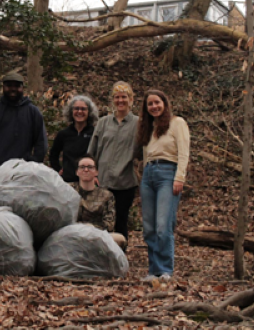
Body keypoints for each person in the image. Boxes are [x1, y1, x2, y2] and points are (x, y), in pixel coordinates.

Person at [137, 90, 190, 282]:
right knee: (149, 227)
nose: (154, 107)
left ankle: (166, 270)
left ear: (164, 103)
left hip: (168, 174)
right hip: (149, 175)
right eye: (150, 104)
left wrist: (180, 177)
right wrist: (144, 175)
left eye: (157, 103)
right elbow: (145, 155)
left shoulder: (177, 123)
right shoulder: (148, 127)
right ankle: (154, 271)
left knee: (163, 225)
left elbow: (184, 152)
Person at [0, 71, 48, 185]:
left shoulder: (32, 112)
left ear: (22, 88)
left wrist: (33, 163)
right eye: (9, 85)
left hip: (19, 173)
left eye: (17, 86)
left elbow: (41, 142)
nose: (13, 89)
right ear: (3, 87)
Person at [88, 81, 139, 244]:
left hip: (125, 182)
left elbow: (144, 152)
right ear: (113, 100)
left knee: (120, 222)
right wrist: (92, 174)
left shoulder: (138, 123)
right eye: (117, 97)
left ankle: (120, 259)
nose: (120, 101)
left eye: (124, 97)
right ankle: (102, 258)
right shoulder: (103, 122)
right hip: (102, 182)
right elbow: (92, 151)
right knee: (100, 223)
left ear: (131, 100)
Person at [70, 154, 127, 250]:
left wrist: (90, 228)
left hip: (97, 235)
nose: (86, 170)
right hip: (72, 233)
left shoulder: (106, 195)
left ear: (96, 172)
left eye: (90, 167)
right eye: (82, 167)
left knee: (120, 239)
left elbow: (109, 225)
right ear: (77, 172)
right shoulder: (67, 190)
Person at [50, 95, 98, 182]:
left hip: (88, 181)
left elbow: (100, 156)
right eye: (76, 108)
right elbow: (53, 155)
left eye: (83, 109)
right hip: (67, 181)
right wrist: (58, 169)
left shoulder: (95, 133)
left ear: (89, 112)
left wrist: (96, 175)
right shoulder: (63, 134)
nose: (79, 111)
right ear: (71, 111)